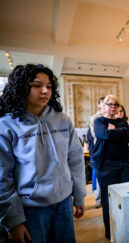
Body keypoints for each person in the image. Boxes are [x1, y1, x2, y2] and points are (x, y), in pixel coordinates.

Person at [0, 64, 86, 242]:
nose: (45, 91)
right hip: (29, 210)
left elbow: (75, 161)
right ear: (21, 87)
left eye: (49, 86)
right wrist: (13, 220)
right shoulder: (6, 125)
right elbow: (2, 177)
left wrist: (79, 196)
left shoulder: (62, 120)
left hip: (63, 204)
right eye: (37, 85)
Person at [93, 95, 129, 240]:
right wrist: (120, 132)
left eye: (115, 104)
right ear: (104, 106)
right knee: (108, 199)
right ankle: (110, 231)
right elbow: (103, 134)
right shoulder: (99, 121)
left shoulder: (121, 121)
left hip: (125, 165)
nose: (112, 107)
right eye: (109, 104)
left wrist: (114, 129)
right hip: (107, 166)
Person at [89, 96, 105, 209]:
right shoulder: (95, 117)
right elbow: (95, 134)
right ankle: (98, 200)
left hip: (111, 150)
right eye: (103, 103)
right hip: (99, 149)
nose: (105, 105)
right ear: (99, 105)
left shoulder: (111, 116)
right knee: (99, 176)